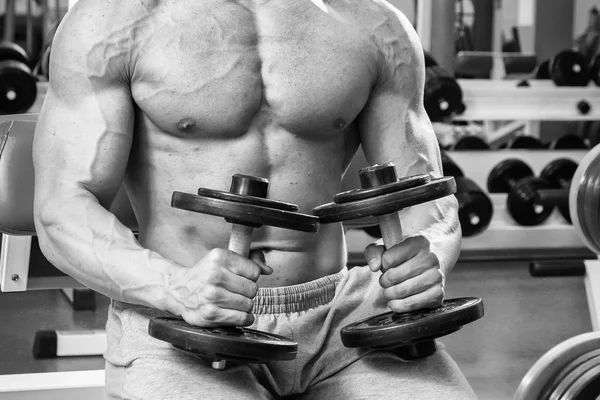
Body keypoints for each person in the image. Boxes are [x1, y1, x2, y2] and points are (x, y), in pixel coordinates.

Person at [32, 0, 477, 398]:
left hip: (345, 319)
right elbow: (62, 209)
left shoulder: (374, 24)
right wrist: (175, 288)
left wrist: (429, 254)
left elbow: (425, 192)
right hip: (180, 324)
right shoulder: (113, 21)